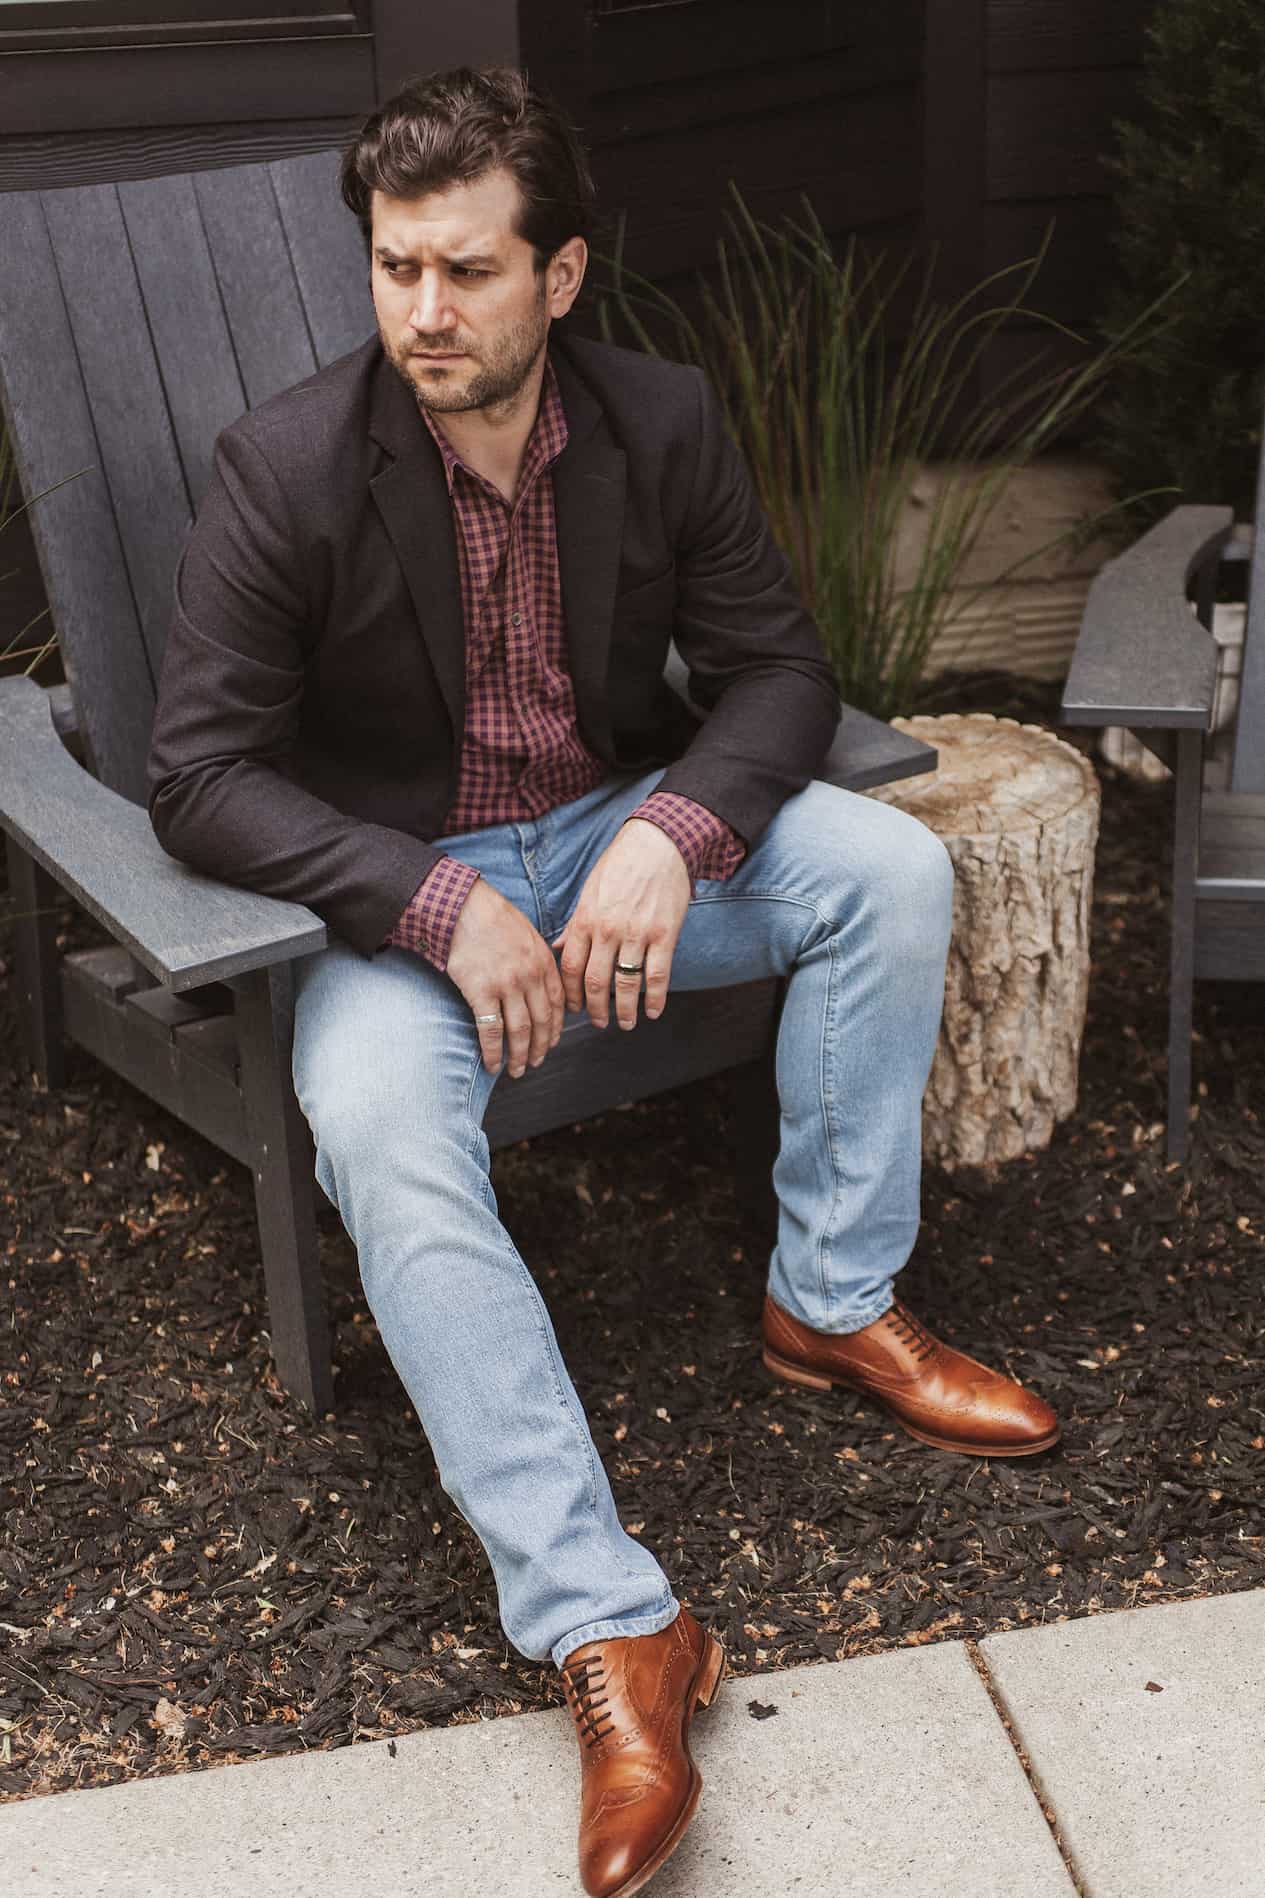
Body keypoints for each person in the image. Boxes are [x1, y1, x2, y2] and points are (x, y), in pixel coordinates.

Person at [146, 65, 1061, 1898]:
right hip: (412, 894)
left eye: (467, 271)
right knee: (382, 1122)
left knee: (884, 863)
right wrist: (423, 898)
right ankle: (612, 1625)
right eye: (397, 267)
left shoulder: (658, 419)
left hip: (621, 836)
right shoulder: (288, 467)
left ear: (559, 276)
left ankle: (831, 1294)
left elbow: (775, 672)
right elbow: (200, 773)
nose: (423, 312)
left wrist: (679, 835)